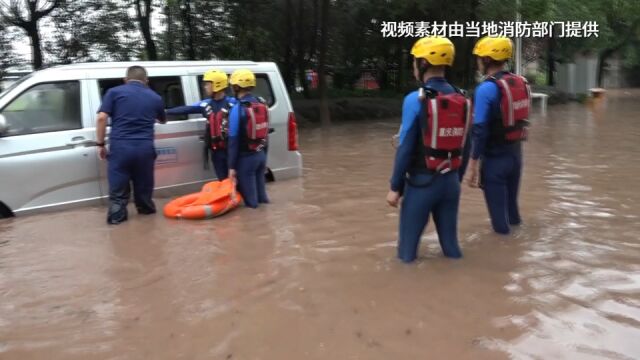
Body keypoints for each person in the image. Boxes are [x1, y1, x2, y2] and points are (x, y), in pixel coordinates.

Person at [386, 37, 472, 263]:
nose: (414, 66)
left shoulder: (415, 99)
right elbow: (467, 143)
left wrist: (395, 187)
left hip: (422, 185)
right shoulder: (462, 98)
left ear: (423, 64)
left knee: (406, 254)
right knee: (451, 247)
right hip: (451, 183)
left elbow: (404, 149)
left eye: (415, 61)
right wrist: (455, 177)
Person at [466, 36, 531, 234]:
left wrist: (473, 164)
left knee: (499, 225)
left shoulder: (486, 89)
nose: (477, 62)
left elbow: (480, 130)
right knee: (513, 214)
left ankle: (506, 258)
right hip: (516, 156)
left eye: (479, 58)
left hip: (495, 161)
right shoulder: (520, 82)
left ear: (486, 60)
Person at [95, 65, 166, 225]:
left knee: (118, 195)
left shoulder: (114, 92)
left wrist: (100, 144)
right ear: (146, 81)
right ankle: (148, 222)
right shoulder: (155, 97)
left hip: (121, 149)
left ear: (125, 80)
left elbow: (101, 118)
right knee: (144, 192)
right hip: (145, 150)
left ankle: (118, 222)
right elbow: (162, 119)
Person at [166, 69, 236, 179]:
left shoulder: (233, 103)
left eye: (207, 84)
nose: (205, 87)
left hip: (232, 150)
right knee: (222, 181)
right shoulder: (205, 104)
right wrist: (165, 112)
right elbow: (186, 109)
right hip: (216, 151)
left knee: (237, 181)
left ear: (217, 85)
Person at [227, 69, 270, 209]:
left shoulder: (237, 108)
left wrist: (232, 167)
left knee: (251, 204)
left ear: (236, 87)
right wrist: (264, 157)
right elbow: (265, 134)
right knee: (262, 199)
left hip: (246, 160)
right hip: (260, 155)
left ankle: (257, 228)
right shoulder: (261, 103)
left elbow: (233, 141)